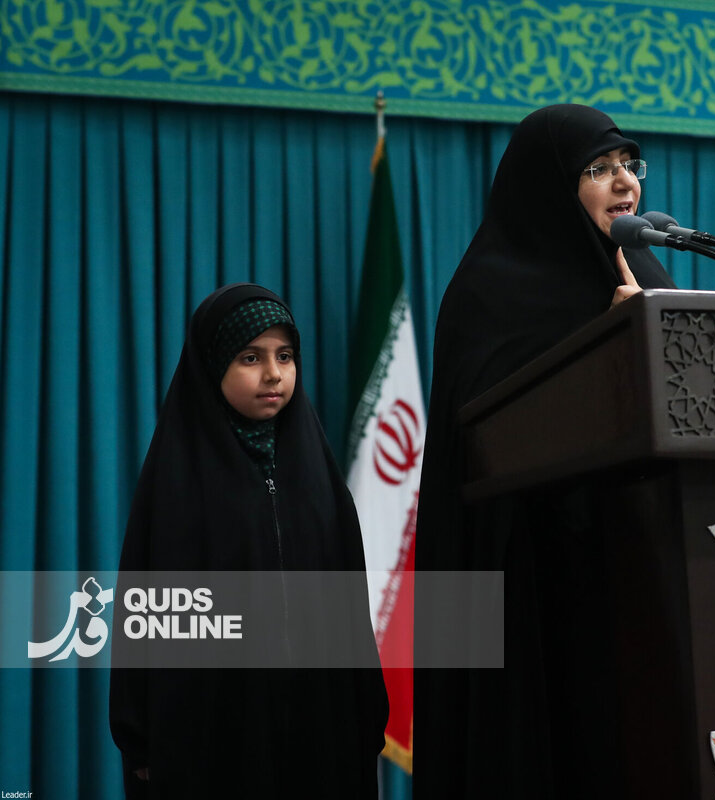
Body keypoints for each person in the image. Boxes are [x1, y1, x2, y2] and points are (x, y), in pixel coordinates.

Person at [414, 104, 675, 797]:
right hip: (535, 588)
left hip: (647, 575)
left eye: (629, 165)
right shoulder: (491, 292)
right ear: (550, 185)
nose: (624, 182)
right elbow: (493, 447)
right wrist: (610, 350)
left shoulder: (647, 274)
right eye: (599, 168)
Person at [109, 283, 388, 799]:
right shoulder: (177, 482)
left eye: (285, 356)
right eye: (250, 357)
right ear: (213, 363)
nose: (273, 374)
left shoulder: (319, 478)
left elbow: (350, 608)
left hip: (322, 733)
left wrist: (369, 717)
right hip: (212, 737)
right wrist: (140, 739)